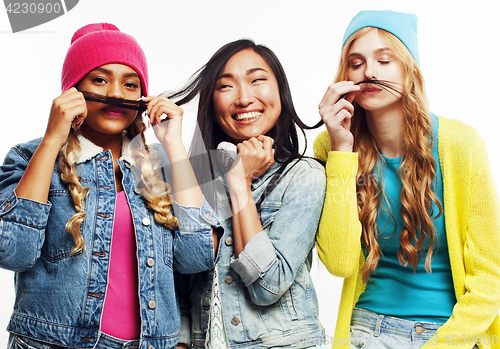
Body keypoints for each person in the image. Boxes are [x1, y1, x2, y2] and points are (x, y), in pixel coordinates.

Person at [0, 23, 220, 349]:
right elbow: (12, 252)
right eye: (100, 79)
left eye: (130, 84)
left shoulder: (162, 164)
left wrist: (173, 146)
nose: (116, 93)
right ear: (72, 91)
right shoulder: (30, 156)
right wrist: (51, 140)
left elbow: (196, 257)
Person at [314, 9, 500, 349]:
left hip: (449, 335)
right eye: (356, 63)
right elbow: (339, 262)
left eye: (384, 61)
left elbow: (490, 278)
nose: (369, 72)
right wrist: (342, 150)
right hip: (364, 331)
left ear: (408, 68)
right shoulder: (333, 146)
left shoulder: (460, 144)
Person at [168, 39, 326, 348]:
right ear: (211, 105)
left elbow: (269, 285)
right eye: (226, 87)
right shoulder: (193, 179)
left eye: (257, 80)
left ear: (280, 92)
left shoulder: (303, 176)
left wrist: (239, 182)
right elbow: (180, 278)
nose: (243, 98)